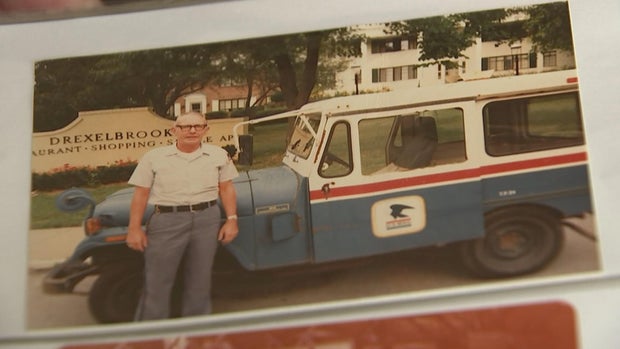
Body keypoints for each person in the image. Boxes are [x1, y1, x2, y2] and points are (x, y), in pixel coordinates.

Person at [125, 111, 239, 321]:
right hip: (167, 220)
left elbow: (227, 188)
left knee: (200, 280)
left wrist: (232, 220)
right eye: (185, 127)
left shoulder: (218, 155)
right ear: (174, 130)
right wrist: (134, 228)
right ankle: (152, 336)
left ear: (206, 129)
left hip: (207, 219)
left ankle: (193, 335)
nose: (192, 130)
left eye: (198, 126)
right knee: (158, 281)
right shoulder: (154, 157)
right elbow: (140, 194)